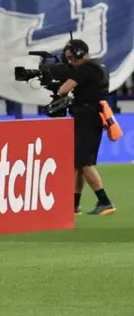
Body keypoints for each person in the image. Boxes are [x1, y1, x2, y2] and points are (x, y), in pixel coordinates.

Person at [54, 40, 116, 215]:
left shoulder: (86, 68)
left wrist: (59, 83)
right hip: (94, 116)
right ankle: (74, 205)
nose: (70, 62)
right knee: (78, 163)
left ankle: (104, 201)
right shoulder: (100, 65)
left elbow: (63, 90)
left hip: (87, 118)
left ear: (79, 52)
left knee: (84, 163)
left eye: (71, 58)